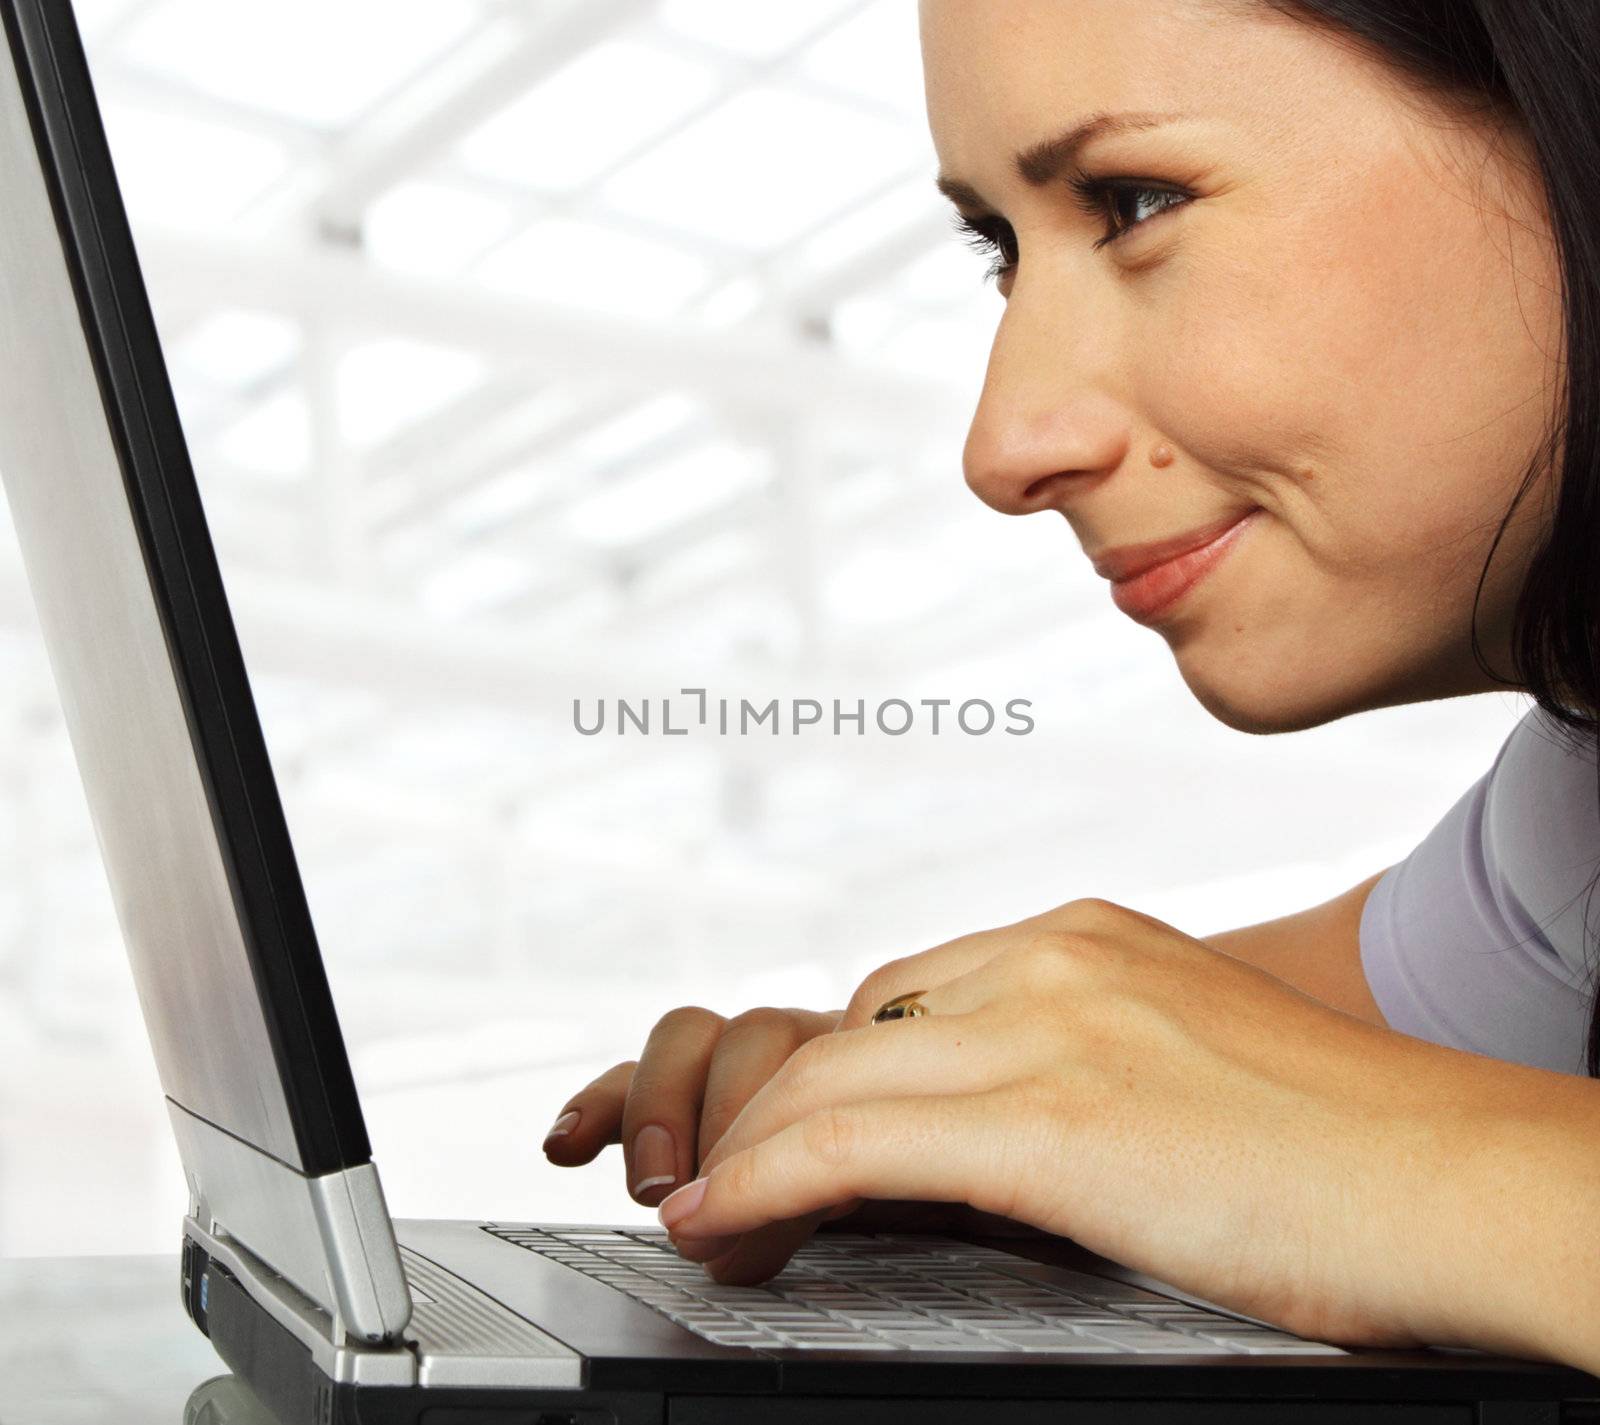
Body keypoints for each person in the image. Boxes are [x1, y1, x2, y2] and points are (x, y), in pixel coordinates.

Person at [544, 0, 1600, 1377]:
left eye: (1134, 198)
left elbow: (1323, 1109)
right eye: (1000, 249)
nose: (1004, 446)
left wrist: (1397, 1161)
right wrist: (924, 1109)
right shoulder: (1569, 817)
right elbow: (1262, 1068)